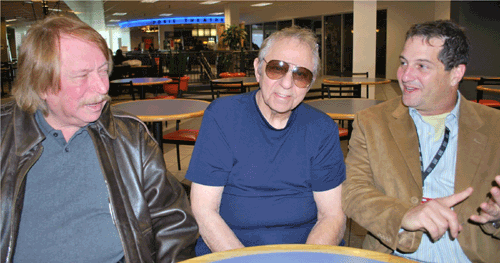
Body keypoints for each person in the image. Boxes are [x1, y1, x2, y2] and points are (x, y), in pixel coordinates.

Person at [0, 15, 198, 263]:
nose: (102, 87)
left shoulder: (130, 138)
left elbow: (173, 222)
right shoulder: (4, 137)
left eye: (103, 71)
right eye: (82, 76)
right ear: (41, 84)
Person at [342, 20, 500, 263]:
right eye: (404, 63)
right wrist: (404, 216)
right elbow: (352, 192)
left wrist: (497, 217)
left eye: (422, 66)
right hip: (394, 254)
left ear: (455, 73)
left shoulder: (495, 128)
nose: (405, 76)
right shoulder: (371, 122)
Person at [186, 26, 346, 256]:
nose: (287, 84)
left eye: (301, 75)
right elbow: (204, 210)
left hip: (306, 253)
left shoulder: (322, 129)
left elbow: (332, 215)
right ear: (258, 68)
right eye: (277, 68)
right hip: (231, 252)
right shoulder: (222, 117)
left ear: (310, 84)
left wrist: (306, 260)